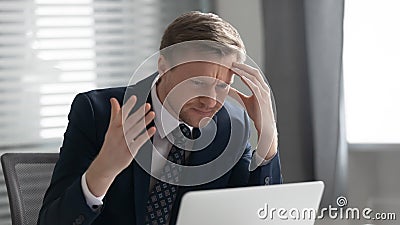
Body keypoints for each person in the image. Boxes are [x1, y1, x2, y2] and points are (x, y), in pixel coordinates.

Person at [37, 11, 282, 225]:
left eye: (222, 86)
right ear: (163, 66)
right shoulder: (98, 113)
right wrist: (103, 171)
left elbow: (257, 215)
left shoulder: (231, 125)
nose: (210, 101)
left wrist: (268, 141)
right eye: (197, 83)